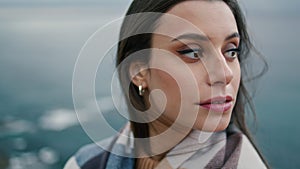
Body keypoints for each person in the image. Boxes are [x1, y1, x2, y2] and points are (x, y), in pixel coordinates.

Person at [65, 0, 269, 168]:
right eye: (192, 52)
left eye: (231, 51)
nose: (224, 74)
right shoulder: (84, 163)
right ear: (139, 72)